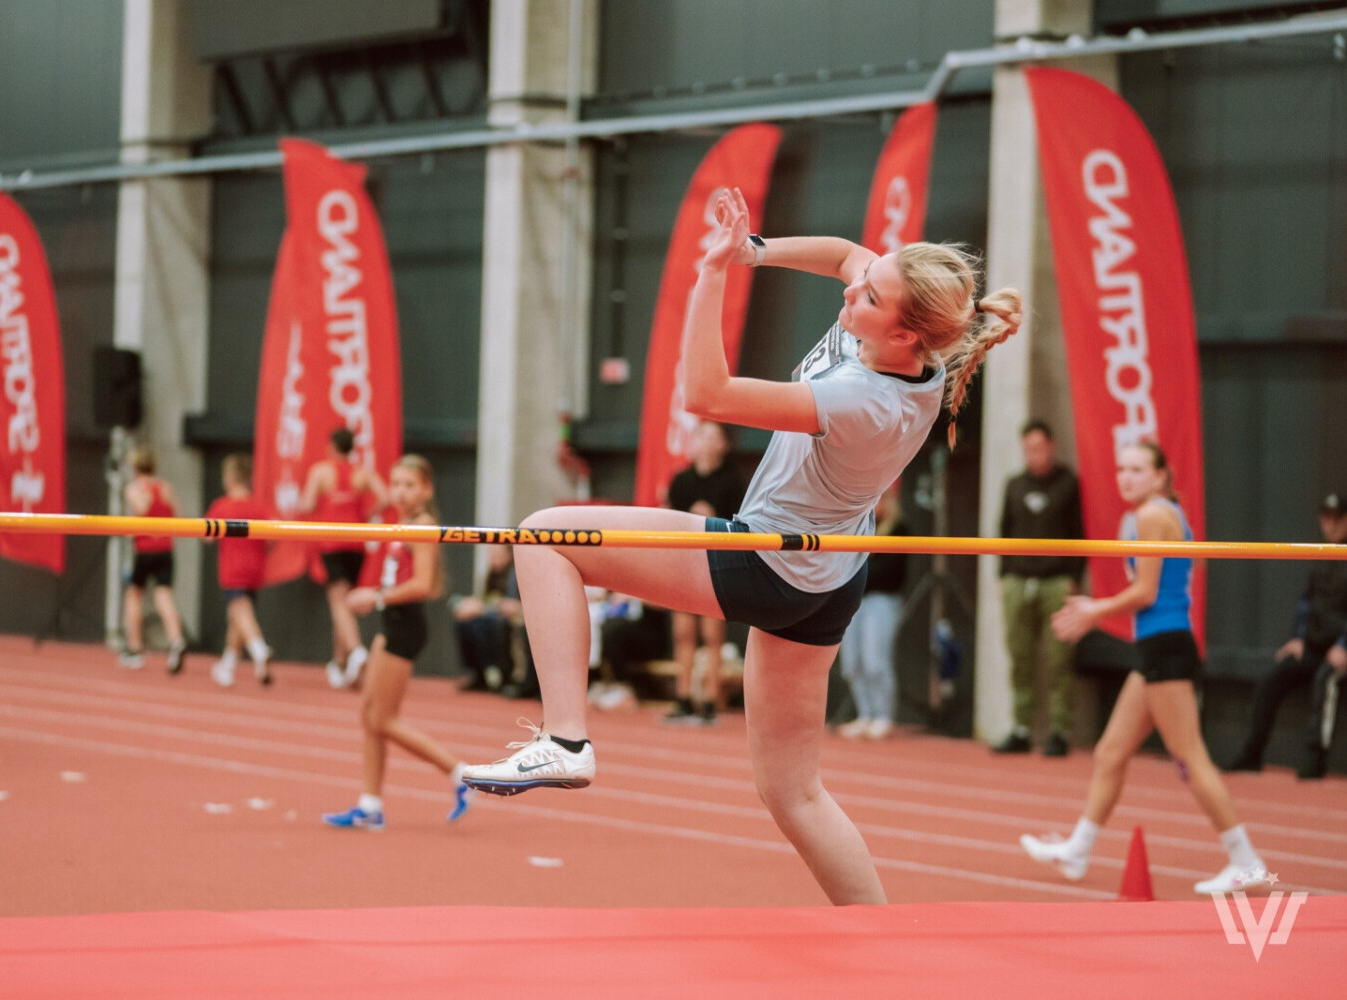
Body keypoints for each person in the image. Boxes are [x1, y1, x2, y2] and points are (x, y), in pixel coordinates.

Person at [460, 187, 1023, 905]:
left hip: (771, 562)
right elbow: (848, 255)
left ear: (905, 334)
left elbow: (706, 395)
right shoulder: (907, 342)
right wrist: (758, 251)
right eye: (867, 281)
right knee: (793, 794)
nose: (855, 287)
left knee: (544, 537)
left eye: (871, 296)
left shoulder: (867, 403)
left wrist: (715, 271)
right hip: (829, 574)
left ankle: (567, 740)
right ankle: (884, 949)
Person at [1022, 441, 1269, 895]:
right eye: (1121, 468)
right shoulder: (1155, 513)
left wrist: (1094, 611)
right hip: (1156, 646)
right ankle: (1078, 850)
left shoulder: (1152, 515)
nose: (1126, 476)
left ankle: (1246, 860)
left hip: (1166, 647)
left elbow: (1147, 593)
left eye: (1137, 469)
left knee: (1191, 757)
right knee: (1111, 752)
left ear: (1160, 475)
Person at [322, 455, 473, 829]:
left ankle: (461, 774)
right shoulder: (402, 523)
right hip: (391, 624)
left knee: (383, 719)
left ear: (426, 489)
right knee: (368, 718)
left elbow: (423, 584)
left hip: (404, 627)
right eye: (396, 484)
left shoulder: (422, 525)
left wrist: (374, 597)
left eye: (409, 485)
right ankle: (370, 805)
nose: (401, 492)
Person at [1225, 492, 1347, 778]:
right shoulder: (1320, 555)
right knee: (1272, 678)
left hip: (1339, 651)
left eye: (1336, 519)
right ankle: (1252, 754)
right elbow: (1307, 601)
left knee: (1325, 678)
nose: (1330, 525)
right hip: (1314, 646)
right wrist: (1299, 637)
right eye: (1325, 518)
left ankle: (1315, 761)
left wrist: (1343, 645)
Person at [992, 420, 1085, 757]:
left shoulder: (1068, 483)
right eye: (1029, 448)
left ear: (1052, 446)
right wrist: (1004, 576)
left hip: (1056, 581)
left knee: (1059, 659)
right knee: (1020, 656)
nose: (1035, 454)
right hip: (1018, 579)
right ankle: (1021, 727)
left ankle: (1060, 730)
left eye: (1040, 447)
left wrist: (1073, 578)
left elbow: (1080, 533)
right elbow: (1004, 530)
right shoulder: (1015, 485)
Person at [663, 420, 748, 725]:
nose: (705, 441)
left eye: (712, 436)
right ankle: (683, 698)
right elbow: (668, 518)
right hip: (684, 563)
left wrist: (713, 520)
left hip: (717, 564)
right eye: (701, 435)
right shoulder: (681, 479)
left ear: (723, 444)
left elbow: (744, 524)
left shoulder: (734, 481)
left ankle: (711, 701)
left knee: (713, 635)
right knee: (682, 633)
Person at [298, 427, 388, 690]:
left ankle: (357, 650)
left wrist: (323, 506)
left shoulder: (321, 471)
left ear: (332, 446)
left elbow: (306, 504)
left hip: (332, 541)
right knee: (346, 604)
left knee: (338, 602)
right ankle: (341, 662)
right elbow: (385, 496)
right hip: (356, 543)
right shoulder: (362, 473)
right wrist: (367, 513)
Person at [836, 487, 910, 740]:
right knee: (852, 662)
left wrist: (861, 575)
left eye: (879, 501)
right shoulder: (855, 529)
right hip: (852, 601)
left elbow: (891, 573)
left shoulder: (899, 529)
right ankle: (865, 713)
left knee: (875, 660)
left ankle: (883, 715)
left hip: (880, 600)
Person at [205, 455, 274, 688]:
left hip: (233, 568)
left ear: (230, 478)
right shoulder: (260, 506)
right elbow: (273, 536)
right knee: (236, 616)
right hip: (255, 567)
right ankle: (228, 664)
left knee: (240, 612)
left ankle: (258, 647)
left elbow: (207, 538)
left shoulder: (222, 506)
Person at [121, 446, 188, 673]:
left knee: (134, 595)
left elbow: (142, 508)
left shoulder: (134, 488)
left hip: (146, 550)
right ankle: (176, 640)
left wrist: (140, 509)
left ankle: (135, 648)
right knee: (163, 595)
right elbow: (179, 514)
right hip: (165, 550)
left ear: (135, 467)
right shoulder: (166, 488)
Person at [451, 544, 519, 693]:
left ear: (508, 555)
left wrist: (483, 608)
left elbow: (512, 604)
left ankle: (501, 674)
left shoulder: (515, 574)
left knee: (492, 625)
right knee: (466, 622)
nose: (493, 558)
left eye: (497, 554)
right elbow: (486, 599)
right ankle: (478, 673)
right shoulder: (490, 575)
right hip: (491, 614)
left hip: (508, 616)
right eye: (491, 554)